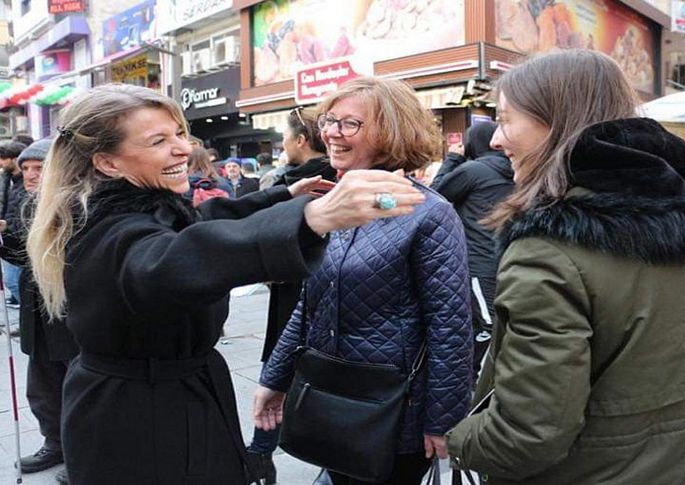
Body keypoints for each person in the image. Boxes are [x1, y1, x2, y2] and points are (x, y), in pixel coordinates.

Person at [26, 83, 426, 485]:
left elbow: (203, 221)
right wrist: (312, 219)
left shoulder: (142, 205)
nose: (183, 149)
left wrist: (284, 196)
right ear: (108, 163)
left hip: (171, 401)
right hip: (139, 422)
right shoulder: (111, 231)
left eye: (180, 133)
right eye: (158, 141)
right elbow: (180, 258)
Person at [444, 50, 685, 484]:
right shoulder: (675, 223)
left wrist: (456, 440)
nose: (495, 139)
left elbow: (527, 434)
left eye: (506, 118)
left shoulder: (546, 254)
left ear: (556, 123)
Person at [254, 77, 474, 485]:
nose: (332, 133)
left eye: (349, 124)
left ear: (391, 132)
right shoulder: (335, 205)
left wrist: (442, 420)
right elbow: (309, 303)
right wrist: (274, 379)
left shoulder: (429, 213)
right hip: (327, 396)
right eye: (329, 120)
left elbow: (450, 326)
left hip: (392, 411)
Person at [247, 106, 337, 484]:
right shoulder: (342, 181)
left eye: (285, 137)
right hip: (329, 300)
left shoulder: (290, 184)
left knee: (278, 370)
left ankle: (261, 454)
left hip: (294, 296)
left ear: (301, 141)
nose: (282, 144)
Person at [0, 139, 77, 485]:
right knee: (42, 386)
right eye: (26, 168)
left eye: (38, 168)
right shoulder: (27, 203)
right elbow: (23, 258)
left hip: (68, 310)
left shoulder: (77, 205)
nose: (30, 174)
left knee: (76, 386)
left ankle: (82, 452)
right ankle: (54, 443)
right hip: (37, 311)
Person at [431, 121, 513, 380]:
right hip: (508, 258)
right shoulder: (515, 169)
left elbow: (435, 196)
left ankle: (483, 384)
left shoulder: (473, 170)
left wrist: (453, 159)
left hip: (480, 263)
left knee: (487, 325)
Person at [0, 140, 27, 309]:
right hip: (8, 236)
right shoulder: (7, 179)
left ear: (14, 159)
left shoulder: (25, 184)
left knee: (13, 281)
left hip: (19, 238)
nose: (1, 163)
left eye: (3, 158)